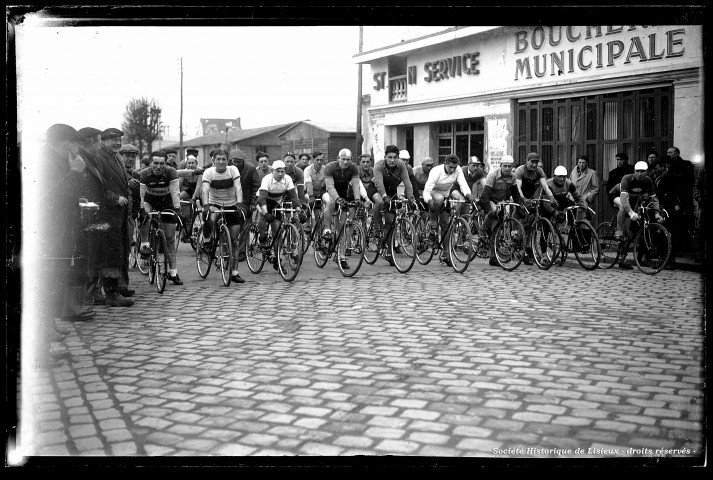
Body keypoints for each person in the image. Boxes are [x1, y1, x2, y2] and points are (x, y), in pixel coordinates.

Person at [39, 124, 90, 360]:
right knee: (46, 282)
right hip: (48, 233)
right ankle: (41, 343)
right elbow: (53, 195)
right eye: (74, 144)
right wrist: (75, 173)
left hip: (58, 230)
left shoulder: (56, 160)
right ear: (63, 144)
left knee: (53, 279)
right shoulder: (46, 162)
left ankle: (47, 328)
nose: (77, 149)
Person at [96, 128, 135, 306]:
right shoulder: (100, 158)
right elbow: (98, 185)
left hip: (119, 214)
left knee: (117, 252)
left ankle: (115, 290)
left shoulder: (115, 157)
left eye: (119, 139)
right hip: (108, 213)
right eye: (113, 139)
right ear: (103, 141)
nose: (117, 143)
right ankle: (111, 295)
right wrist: (113, 198)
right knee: (111, 253)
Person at [138, 150, 185, 285]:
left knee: (170, 239)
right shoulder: (144, 173)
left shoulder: (171, 172)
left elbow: (175, 191)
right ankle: (145, 244)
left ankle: (173, 273)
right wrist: (141, 210)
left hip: (166, 201)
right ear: (151, 163)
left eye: (162, 164)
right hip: (149, 200)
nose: (158, 167)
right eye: (155, 163)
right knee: (145, 215)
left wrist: (177, 209)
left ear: (166, 163)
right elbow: (141, 195)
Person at [201, 148, 246, 283]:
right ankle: (207, 240)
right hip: (214, 203)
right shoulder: (208, 172)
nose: (221, 162)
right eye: (218, 159)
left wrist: (239, 203)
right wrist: (206, 206)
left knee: (234, 240)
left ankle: (234, 272)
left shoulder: (233, 170)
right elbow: (205, 189)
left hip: (231, 203)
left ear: (228, 160)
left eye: (224, 159)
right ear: (213, 160)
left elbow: (238, 187)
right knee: (212, 217)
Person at [77, 127, 108, 306]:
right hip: (87, 217)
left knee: (95, 257)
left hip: (95, 217)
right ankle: (85, 296)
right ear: (90, 142)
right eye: (98, 141)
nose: (100, 145)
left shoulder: (93, 160)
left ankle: (92, 293)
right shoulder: (80, 161)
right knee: (87, 258)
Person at [613, 161, 665, 269]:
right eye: (637, 171)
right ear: (634, 171)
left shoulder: (648, 181)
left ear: (647, 172)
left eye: (642, 171)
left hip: (635, 199)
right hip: (617, 195)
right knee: (624, 209)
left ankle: (632, 254)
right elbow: (624, 199)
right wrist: (631, 212)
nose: (640, 173)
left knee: (637, 226)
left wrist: (656, 214)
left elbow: (654, 199)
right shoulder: (626, 178)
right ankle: (618, 231)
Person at [422, 153, 470, 266]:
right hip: (433, 192)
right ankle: (432, 222)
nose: (453, 169)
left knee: (446, 225)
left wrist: (468, 194)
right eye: (450, 167)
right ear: (445, 164)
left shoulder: (458, 170)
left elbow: (463, 183)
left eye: (454, 167)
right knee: (438, 199)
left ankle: (446, 255)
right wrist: (429, 201)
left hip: (445, 195)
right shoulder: (436, 171)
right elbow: (426, 190)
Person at [255, 160, 303, 271]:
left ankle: (277, 260)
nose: (281, 174)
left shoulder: (287, 179)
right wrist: (266, 213)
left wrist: (299, 209)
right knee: (263, 216)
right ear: (272, 171)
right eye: (278, 171)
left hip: (276, 202)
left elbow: (293, 196)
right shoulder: (267, 179)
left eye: (283, 171)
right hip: (262, 201)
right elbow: (262, 198)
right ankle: (262, 238)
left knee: (276, 232)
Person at [372, 145, 415, 263]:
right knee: (380, 202)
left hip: (391, 190)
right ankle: (376, 229)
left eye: (395, 157)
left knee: (391, 221)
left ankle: (389, 251)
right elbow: (379, 183)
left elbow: (407, 181)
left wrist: (411, 197)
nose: (392, 160)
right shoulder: (378, 165)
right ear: (385, 157)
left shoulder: (401, 165)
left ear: (398, 158)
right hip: (376, 188)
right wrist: (385, 196)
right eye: (389, 157)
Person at [478, 154, 524, 266]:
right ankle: (482, 230)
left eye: (509, 166)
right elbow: (485, 195)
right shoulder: (492, 176)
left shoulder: (513, 177)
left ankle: (493, 257)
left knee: (498, 230)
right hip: (490, 200)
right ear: (501, 165)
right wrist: (490, 210)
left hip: (502, 202)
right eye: (505, 166)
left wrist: (520, 206)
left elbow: (516, 194)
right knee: (494, 214)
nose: (507, 168)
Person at [513, 152, 557, 265]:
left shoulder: (539, 171)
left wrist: (551, 197)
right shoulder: (520, 170)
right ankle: (517, 244)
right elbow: (517, 188)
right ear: (526, 161)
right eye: (532, 162)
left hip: (530, 197)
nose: (534, 165)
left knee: (530, 223)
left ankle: (527, 248)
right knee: (521, 221)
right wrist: (523, 199)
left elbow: (545, 186)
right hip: (518, 195)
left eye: (536, 162)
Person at [322, 149, 362, 269]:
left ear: (351, 160)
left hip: (343, 194)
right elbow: (329, 186)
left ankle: (341, 256)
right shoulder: (330, 167)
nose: (345, 162)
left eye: (348, 160)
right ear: (338, 158)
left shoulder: (354, 168)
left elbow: (355, 185)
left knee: (342, 227)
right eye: (343, 159)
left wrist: (357, 199)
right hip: (327, 191)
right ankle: (327, 229)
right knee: (330, 202)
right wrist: (337, 199)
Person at [229, 149, 260, 263]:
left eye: (239, 161)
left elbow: (256, 186)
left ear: (243, 160)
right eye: (234, 161)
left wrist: (253, 202)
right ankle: (229, 249)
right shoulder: (227, 167)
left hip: (246, 202)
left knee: (245, 226)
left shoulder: (250, 168)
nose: (236, 164)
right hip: (230, 201)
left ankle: (242, 251)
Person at [119, 144, 142, 293]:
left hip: (129, 217)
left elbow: (138, 197)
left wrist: (137, 212)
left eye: (133, 156)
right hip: (117, 215)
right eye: (127, 156)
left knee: (126, 249)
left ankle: (123, 285)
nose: (130, 159)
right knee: (116, 250)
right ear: (121, 156)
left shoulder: (136, 175)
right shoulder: (118, 172)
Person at [665, 146, 696, 254]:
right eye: (668, 152)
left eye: (671, 152)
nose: (668, 154)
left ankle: (684, 248)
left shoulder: (685, 165)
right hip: (672, 199)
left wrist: (680, 201)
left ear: (677, 153)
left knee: (683, 224)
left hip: (682, 198)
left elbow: (688, 183)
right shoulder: (668, 165)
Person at [304, 151, 327, 234]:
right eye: (317, 160)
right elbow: (308, 183)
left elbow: (327, 183)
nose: (319, 162)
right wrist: (311, 196)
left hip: (320, 191)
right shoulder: (308, 169)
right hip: (308, 191)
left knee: (318, 210)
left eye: (321, 160)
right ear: (313, 160)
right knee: (310, 203)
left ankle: (320, 229)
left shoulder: (325, 169)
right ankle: (307, 223)